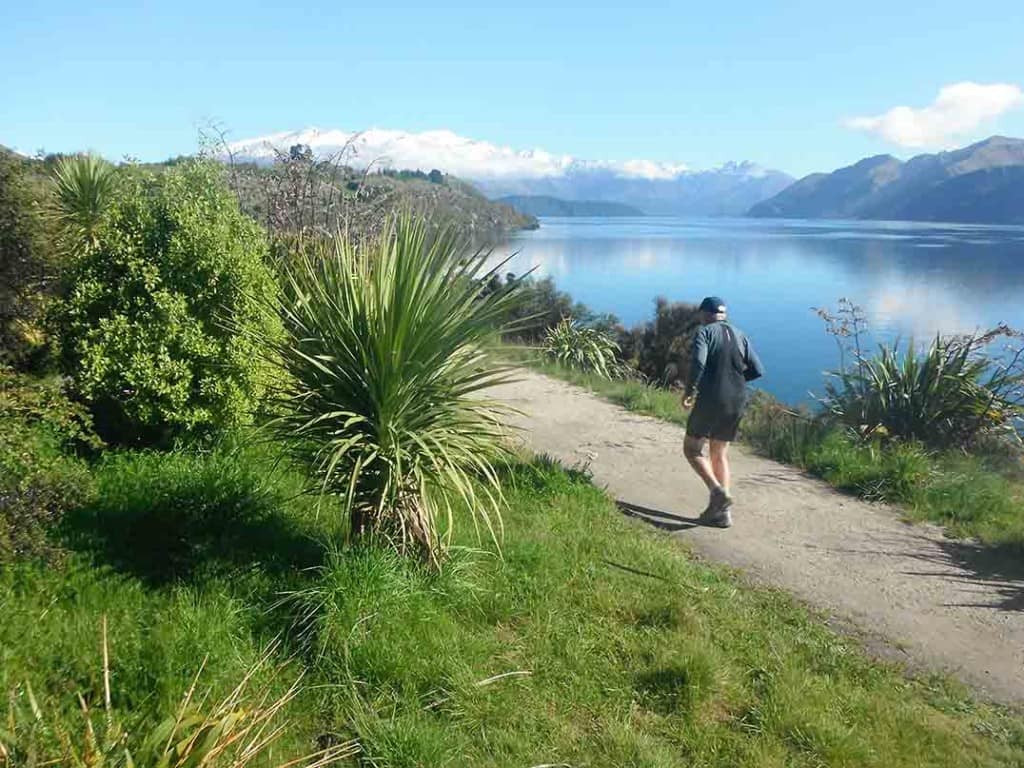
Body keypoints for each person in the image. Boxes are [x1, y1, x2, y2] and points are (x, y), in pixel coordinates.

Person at [682, 296, 764, 527]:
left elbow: (699, 363)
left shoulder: (705, 332)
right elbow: (757, 370)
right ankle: (723, 514)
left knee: (692, 449)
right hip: (737, 399)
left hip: (711, 398)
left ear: (704, 314)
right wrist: (734, 381)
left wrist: (690, 391)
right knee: (719, 453)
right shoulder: (740, 334)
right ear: (723, 315)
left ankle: (717, 491)